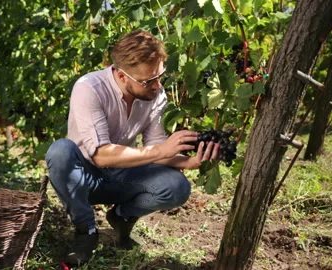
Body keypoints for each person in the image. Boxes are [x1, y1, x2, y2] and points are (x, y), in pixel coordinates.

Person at [45, 29, 219, 266]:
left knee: (176, 187)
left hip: (121, 175)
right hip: (83, 178)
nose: (157, 85)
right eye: (149, 81)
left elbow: (156, 147)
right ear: (122, 76)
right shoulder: (89, 87)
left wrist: (188, 162)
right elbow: (100, 155)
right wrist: (159, 151)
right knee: (60, 151)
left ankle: (120, 218)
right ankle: (86, 231)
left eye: (160, 76)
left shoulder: (155, 95)